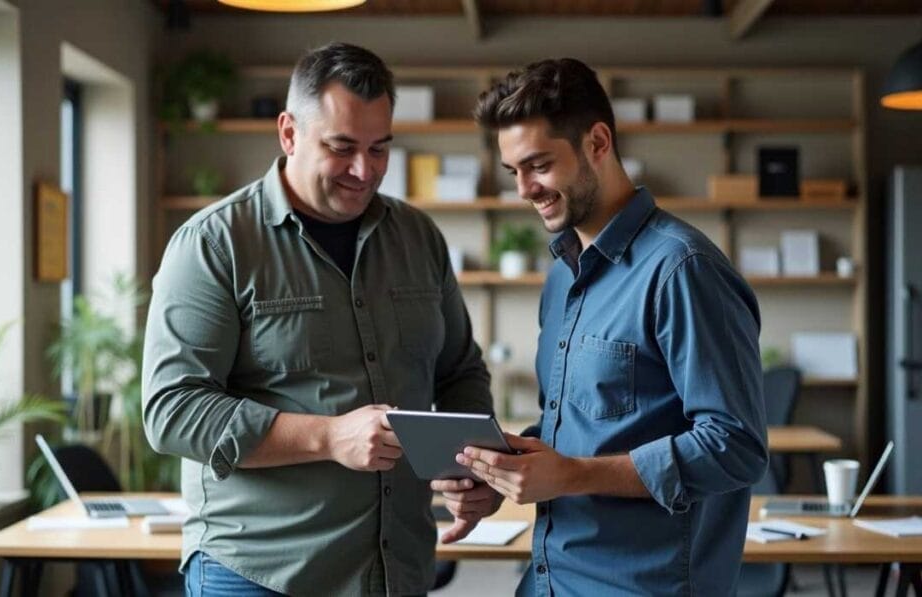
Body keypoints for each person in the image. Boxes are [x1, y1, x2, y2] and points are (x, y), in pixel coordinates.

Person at [142, 42, 497, 597]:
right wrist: (328, 437)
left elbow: (459, 371)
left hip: (395, 570)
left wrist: (473, 463)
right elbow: (173, 410)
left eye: (380, 149)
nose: (365, 170)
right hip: (258, 574)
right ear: (288, 133)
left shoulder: (419, 237)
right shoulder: (215, 243)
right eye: (342, 147)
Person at [458, 58, 769, 596]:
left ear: (598, 143)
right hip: (550, 581)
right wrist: (504, 472)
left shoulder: (683, 269)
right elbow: (578, 431)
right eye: (514, 172)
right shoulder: (562, 276)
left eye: (538, 165)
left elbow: (736, 447)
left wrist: (573, 474)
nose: (524, 189)